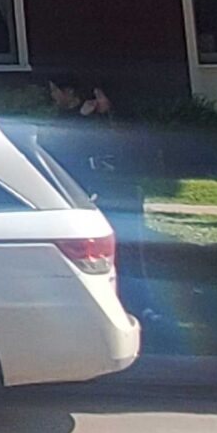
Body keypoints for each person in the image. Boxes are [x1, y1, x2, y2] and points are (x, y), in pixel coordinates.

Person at [44, 76, 159, 322]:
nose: (53, 96)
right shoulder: (76, 120)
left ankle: (140, 305)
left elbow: (134, 150)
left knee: (129, 251)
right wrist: (82, 117)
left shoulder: (120, 123)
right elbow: (58, 146)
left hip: (122, 194)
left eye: (56, 90)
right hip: (90, 198)